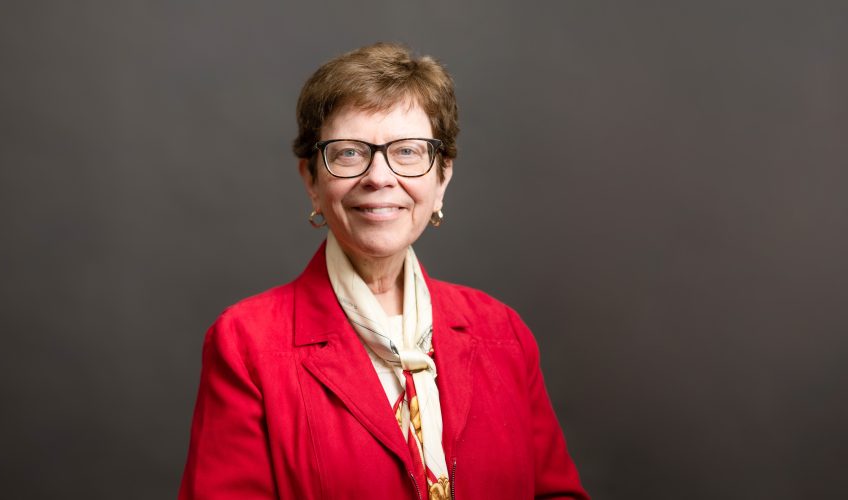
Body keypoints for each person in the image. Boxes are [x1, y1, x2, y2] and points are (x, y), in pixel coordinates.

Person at [178, 42, 589, 500]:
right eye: (350, 153)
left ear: (442, 178)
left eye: (408, 151)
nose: (379, 177)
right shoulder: (246, 345)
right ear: (312, 180)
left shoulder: (503, 332)